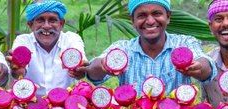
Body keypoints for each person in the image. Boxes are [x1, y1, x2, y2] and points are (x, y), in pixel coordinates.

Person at [85, 0, 216, 95]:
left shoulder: (184, 43)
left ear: (168, 17)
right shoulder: (122, 49)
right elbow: (93, 72)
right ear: (133, 20)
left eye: (157, 13)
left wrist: (199, 67)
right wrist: (102, 65)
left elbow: (206, 67)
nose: (150, 21)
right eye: (142, 15)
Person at [6, 0, 87, 96]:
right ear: (30, 25)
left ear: (61, 24)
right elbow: (18, 72)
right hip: (30, 105)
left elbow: (82, 64)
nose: (46, 26)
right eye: (40, 20)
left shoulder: (71, 39)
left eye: (52, 20)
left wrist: (80, 70)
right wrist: (18, 71)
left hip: (67, 105)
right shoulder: (22, 41)